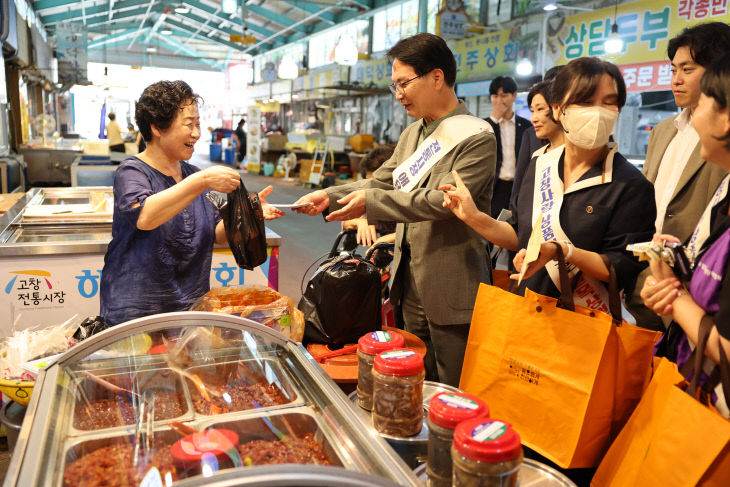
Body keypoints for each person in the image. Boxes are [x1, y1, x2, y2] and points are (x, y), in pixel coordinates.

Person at [294, 33, 497, 387]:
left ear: (436, 77)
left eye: (404, 83)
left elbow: (441, 202)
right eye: (395, 85)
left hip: (450, 284)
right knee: (409, 379)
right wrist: (329, 195)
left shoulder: (477, 137)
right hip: (408, 282)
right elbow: (383, 182)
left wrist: (371, 203)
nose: (399, 94)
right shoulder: (412, 134)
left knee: (453, 385)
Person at [442, 57, 655, 313]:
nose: (598, 112)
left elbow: (620, 267)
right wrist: (474, 217)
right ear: (558, 108)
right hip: (530, 308)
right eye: (586, 101)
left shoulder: (630, 184)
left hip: (585, 323)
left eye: (609, 103)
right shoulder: (541, 164)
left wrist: (564, 251)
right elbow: (520, 235)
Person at [99, 81, 284, 326]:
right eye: (189, 124)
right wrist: (203, 180)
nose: (196, 133)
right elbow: (145, 217)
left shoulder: (192, 174)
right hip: (136, 313)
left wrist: (247, 213)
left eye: (197, 124)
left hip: (190, 307)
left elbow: (217, 233)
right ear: (157, 127)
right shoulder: (132, 172)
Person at [640, 55, 730, 414]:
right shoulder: (725, 186)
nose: (695, 115)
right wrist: (673, 265)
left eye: (704, 100)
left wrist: (674, 297)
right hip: (689, 376)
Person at [629, 22, 730, 330]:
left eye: (687, 69)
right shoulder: (662, 131)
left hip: (700, 287)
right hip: (649, 276)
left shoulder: (719, 134)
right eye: (673, 70)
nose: (676, 80)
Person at [511, 65, 564, 211]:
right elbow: (520, 182)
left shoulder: (582, 152)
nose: (534, 118)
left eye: (540, 109)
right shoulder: (534, 144)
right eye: (533, 110)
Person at [485, 76, 532, 219]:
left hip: (519, 187)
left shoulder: (526, 126)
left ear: (514, 96)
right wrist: (494, 119)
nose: (499, 101)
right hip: (495, 188)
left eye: (504, 95)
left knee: (517, 227)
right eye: (495, 96)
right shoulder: (485, 126)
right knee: (491, 229)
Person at [342, 145, 397, 247]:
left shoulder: (406, 200)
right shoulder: (368, 198)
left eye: (377, 184)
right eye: (369, 184)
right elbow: (346, 221)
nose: (372, 190)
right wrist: (359, 222)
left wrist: (388, 239)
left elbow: (413, 232)